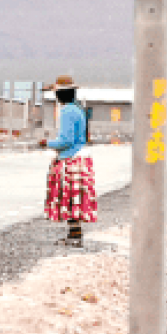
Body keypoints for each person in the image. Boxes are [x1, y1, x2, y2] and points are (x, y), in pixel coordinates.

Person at [42, 75, 96, 247]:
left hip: (71, 158)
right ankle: (75, 234)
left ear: (59, 95)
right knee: (76, 199)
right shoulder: (77, 109)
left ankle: (74, 236)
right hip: (81, 156)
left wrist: (47, 143)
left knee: (69, 198)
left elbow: (65, 140)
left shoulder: (66, 111)